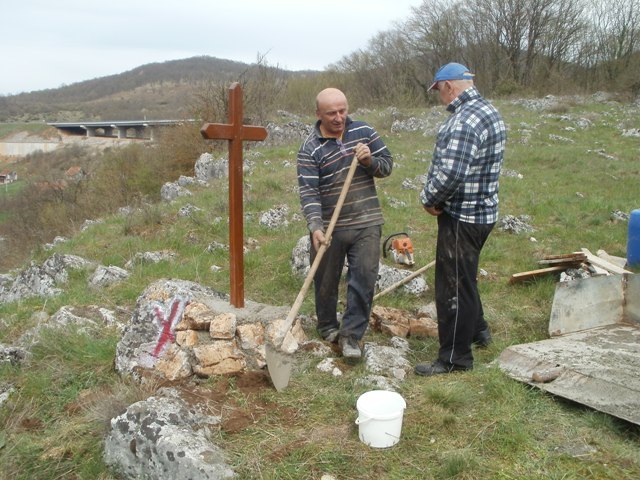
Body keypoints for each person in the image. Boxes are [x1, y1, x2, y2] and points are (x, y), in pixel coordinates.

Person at [415, 63, 507, 376]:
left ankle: (455, 358)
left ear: (449, 86)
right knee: (465, 276)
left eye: (438, 90)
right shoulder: (488, 111)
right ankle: (478, 331)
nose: (439, 97)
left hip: (463, 217)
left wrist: (429, 199)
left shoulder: (464, 121)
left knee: (452, 286)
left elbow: (452, 173)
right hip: (483, 212)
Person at [297, 88, 393, 358]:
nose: (339, 118)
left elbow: (387, 165)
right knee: (325, 280)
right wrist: (315, 226)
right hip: (330, 225)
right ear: (318, 114)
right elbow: (309, 192)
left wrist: (368, 160)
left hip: (367, 220)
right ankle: (328, 326)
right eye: (331, 113)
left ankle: (351, 337)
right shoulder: (309, 148)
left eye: (343, 110)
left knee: (364, 277)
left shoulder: (364, 131)